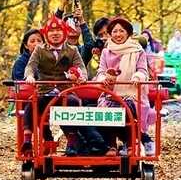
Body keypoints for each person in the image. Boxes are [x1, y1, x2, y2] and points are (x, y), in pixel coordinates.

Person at [25, 15, 107, 156]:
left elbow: (81, 68)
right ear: (46, 33)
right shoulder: (39, 50)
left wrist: (80, 77)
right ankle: (27, 140)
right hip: (45, 91)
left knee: (73, 103)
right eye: (51, 31)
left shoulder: (72, 50)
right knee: (31, 105)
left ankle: (72, 141)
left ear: (64, 32)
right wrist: (30, 76)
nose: (55, 34)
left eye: (58, 31)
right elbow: (30, 66)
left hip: (66, 91)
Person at [94, 17, 156, 156]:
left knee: (127, 107)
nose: (118, 34)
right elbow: (101, 71)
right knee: (104, 109)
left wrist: (137, 77)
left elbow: (142, 70)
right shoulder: (106, 51)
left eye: (121, 31)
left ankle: (129, 144)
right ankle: (110, 145)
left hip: (131, 92)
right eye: (114, 31)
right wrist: (104, 79)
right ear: (110, 34)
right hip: (110, 93)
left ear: (128, 33)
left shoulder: (138, 50)